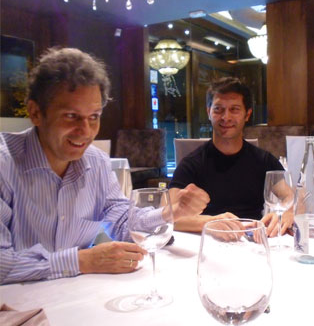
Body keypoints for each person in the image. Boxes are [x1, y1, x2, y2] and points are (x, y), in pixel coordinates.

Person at [0, 47, 209, 284]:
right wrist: (82, 261)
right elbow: (3, 265)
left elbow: (121, 222)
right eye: (71, 116)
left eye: (94, 117)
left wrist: (171, 212)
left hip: (76, 294)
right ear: (35, 113)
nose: (85, 131)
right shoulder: (5, 164)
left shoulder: (96, 162)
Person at [170, 77, 288, 235]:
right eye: (218, 109)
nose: (226, 117)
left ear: (247, 114)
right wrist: (212, 223)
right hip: (205, 242)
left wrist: (288, 212)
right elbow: (167, 214)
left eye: (234, 109)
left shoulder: (264, 160)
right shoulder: (191, 164)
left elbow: (291, 198)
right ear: (209, 112)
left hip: (253, 241)